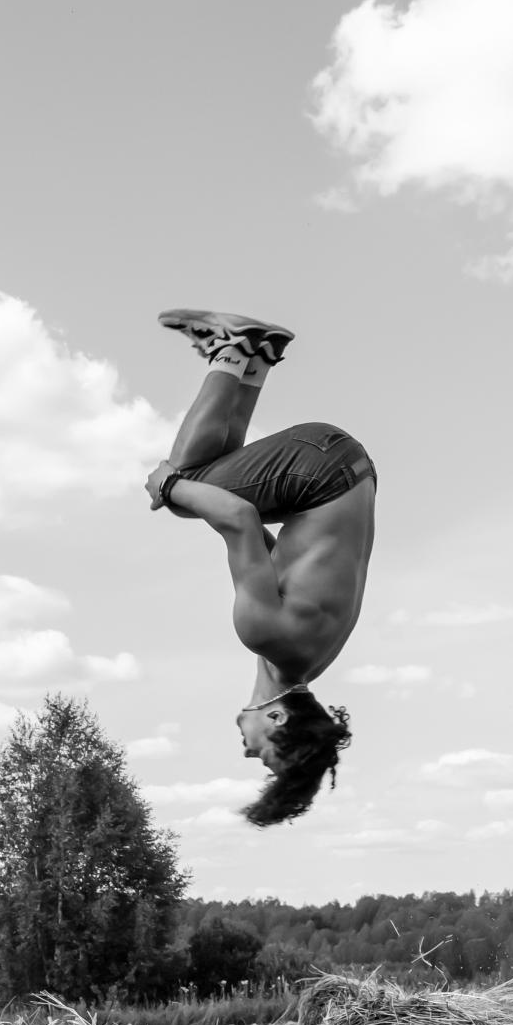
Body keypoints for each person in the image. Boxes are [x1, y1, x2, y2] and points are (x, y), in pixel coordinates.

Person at [145, 310, 376, 825]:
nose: (250, 756)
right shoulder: (266, 636)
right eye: (267, 758)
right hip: (319, 468)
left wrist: (205, 502)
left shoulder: (307, 658)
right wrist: (167, 488)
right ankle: (232, 350)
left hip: (341, 468)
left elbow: (259, 540)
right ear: (277, 718)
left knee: (208, 484)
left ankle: (256, 356)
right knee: (184, 486)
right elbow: (241, 518)